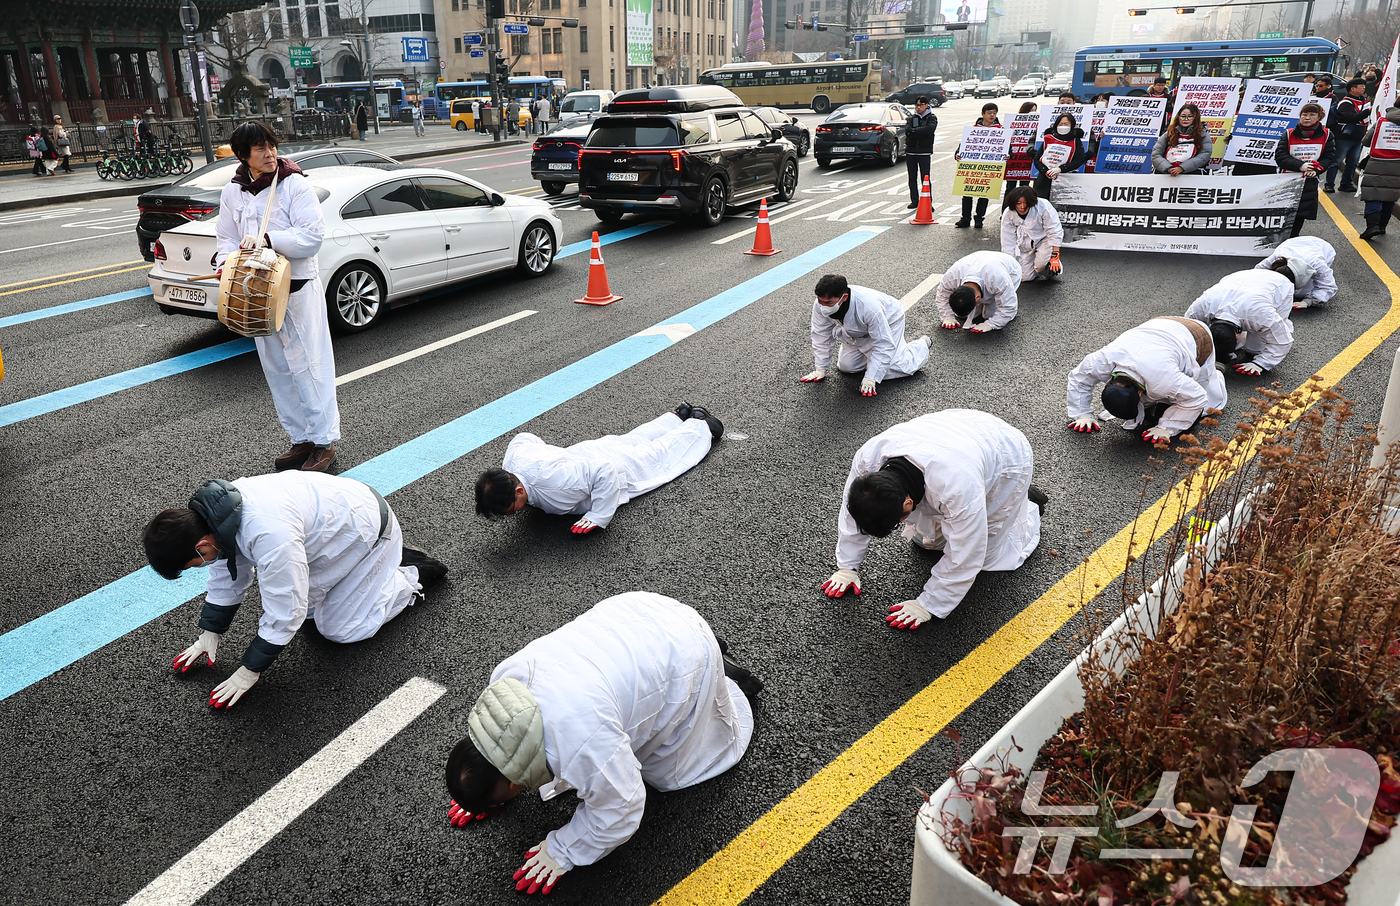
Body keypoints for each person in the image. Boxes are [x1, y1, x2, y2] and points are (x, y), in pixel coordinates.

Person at [444, 592, 758, 896]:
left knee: (668, 772)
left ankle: (720, 673)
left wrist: (563, 850)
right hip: (638, 614)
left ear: (513, 784)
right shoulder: (502, 683)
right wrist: (479, 789)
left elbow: (623, 805)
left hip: (685, 654)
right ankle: (704, 653)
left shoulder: (583, 742)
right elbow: (497, 753)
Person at [143, 471, 446, 709]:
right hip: (339, 524)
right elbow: (230, 571)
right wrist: (210, 631)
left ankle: (409, 575)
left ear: (201, 546)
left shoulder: (270, 535)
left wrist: (249, 670)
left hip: (368, 532)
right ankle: (385, 567)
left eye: (194, 563)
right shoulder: (217, 513)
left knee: (340, 628)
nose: (201, 566)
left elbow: (286, 611)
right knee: (310, 611)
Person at [819, 410, 1045, 629]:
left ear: (907, 503)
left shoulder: (956, 486)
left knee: (988, 554)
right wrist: (847, 567)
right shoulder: (868, 463)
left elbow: (966, 552)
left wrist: (928, 604)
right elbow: (855, 513)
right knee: (927, 543)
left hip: (1005, 454)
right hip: (952, 436)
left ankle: (1029, 504)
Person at [215, 122, 340, 473]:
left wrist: (269, 239)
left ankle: (324, 441)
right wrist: (226, 263)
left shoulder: (294, 184)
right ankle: (300, 438)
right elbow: (225, 238)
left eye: (271, 145)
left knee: (310, 367)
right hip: (255, 295)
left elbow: (312, 237)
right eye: (260, 149)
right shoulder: (232, 192)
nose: (269, 153)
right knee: (278, 370)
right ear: (243, 156)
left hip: (297, 288)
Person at [474, 405, 722, 534]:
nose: (510, 516)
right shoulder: (512, 462)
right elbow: (523, 438)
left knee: (658, 457)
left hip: (611, 467)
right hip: (585, 455)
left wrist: (597, 516)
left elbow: (605, 471)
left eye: (509, 510)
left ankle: (701, 426)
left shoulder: (555, 483)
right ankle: (678, 416)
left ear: (519, 490)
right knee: (634, 438)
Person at [1066, 317, 1228, 444]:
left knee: (1205, 404)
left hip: (1197, 335)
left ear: (1140, 392)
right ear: (1108, 382)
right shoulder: (1101, 362)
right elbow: (1079, 378)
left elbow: (1197, 397)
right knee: (1163, 403)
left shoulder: (1165, 380)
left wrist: (1166, 428)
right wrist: (1083, 414)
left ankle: (1218, 370)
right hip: (1158, 324)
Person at [800, 274, 931, 395]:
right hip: (857, 331)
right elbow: (820, 334)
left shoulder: (869, 307)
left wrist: (871, 378)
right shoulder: (820, 304)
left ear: (844, 297)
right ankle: (870, 357)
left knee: (889, 370)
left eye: (828, 303)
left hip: (889, 321)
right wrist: (821, 368)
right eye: (820, 301)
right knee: (847, 367)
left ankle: (921, 345)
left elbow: (883, 343)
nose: (823, 307)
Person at [1184, 268, 1299, 376]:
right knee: (1236, 343)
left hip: (1278, 285)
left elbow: (1282, 342)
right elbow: (1188, 329)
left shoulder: (1261, 314)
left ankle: (1285, 326)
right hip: (1239, 280)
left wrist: (1261, 363)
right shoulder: (1202, 307)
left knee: (1255, 349)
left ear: (1237, 335)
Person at [1277, 102, 1336, 238]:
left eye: (1312, 115)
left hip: (1308, 181)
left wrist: (1317, 170)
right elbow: (1280, 157)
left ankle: (1292, 241)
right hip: (1288, 179)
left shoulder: (1327, 135)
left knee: (1300, 214)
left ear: (1319, 117)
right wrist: (1300, 165)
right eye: (1304, 114)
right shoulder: (1289, 134)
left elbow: (1329, 156)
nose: (1307, 118)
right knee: (1283, 214)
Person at [935, 250, 1022, 331]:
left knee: (990, 315)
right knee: (966, 315)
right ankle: (980, 306)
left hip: (1010, 269)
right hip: (978, 260)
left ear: (977, 297)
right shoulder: (952, 277)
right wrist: (948, 316)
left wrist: (991, 324)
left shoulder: (999, 279)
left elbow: (1008, 307)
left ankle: (987, 306)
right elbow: (942, 295)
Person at [1001, 186, 1063, 281]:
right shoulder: (1008, 213)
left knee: (1041, 266)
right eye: (1018, 203)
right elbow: (1007, 240)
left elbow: (1054, 230)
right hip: (1025, 245)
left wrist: (1055, 254)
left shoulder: (1043, 206)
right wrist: (1009, 263)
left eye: (1026, 203)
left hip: (1044, 240)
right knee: (1024, 278)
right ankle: (1035, 264)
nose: (1022, 207)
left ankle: (1049, 264)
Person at [1256, 236, 1337, 308]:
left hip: (1323, 247)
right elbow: (1257, 271)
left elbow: (1328, 287)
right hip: (1291, 243)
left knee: (1302, 293)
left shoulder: (1317, 264)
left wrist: (1308, 301)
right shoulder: (1278, 257)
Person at [1359, 105, 1400, 240]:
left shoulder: (1381, 121)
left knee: (1373, 194)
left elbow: (1365, 141)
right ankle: (1382, 227)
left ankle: (1372, 226)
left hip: (1377, 162)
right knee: (1390, 195)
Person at [953, 103, 998, 226]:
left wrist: (1008, 155)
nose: (992, 115)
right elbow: (962, 147)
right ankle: (965, 218)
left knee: (984, 194)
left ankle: (979, 218)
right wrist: (958, 154)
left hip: (990, 168)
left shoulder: (1000, 131)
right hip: (972, 167)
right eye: (989, 113)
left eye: (994, 113)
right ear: (983, 114)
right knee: (967, 193)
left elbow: (1007, 149)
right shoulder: (973, 130)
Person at [1326, 78, 1372, 194]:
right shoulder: (1345, 103)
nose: (1364, 88)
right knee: (1336, 161)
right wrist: (1368, 111)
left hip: (1358, 137)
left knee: (1352, 163)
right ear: (1352, 89)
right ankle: (1329, 184)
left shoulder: (1364, 102)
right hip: (1344, 138)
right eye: (1361, 86)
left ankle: (1346, 184)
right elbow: (1351, 117)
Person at [1033, 112, 1085, 199]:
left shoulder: (1076, 141)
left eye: (1066, 124)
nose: (1063, 126)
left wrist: (1060, 169)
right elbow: (1037, 158)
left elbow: (1079, 160)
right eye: (1060, 124)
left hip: (1064, 179)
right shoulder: (1048, 138)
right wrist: (1045, 171)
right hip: (1043, 180)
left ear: (1072, 125)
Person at [1152, 103, 1211, 175]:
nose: (1186, 119)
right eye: (1183, 116)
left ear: (1196, 118)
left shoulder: (1203, 135)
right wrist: (1168, 168)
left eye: (1190, 116)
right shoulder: (1169, 133)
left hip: (1193, 174)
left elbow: (1204, 155)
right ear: (1178, 117)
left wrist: (1182, 168)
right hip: (1167, 174)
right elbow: (1156, 154)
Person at [905, 96, 938, 210]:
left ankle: (928, 202)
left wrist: (915, 131)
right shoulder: (911, 118)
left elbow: (930, 129)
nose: (918, 108)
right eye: (917, 105)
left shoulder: (932, 117)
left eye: (921, 105)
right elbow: (908, 131)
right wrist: (919, 131)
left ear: (926, 105)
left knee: (925, 178)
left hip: (924, 151)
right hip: (911, 151)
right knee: (912, 178)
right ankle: (914, 200)